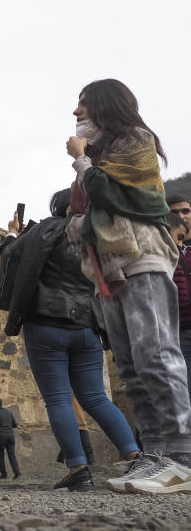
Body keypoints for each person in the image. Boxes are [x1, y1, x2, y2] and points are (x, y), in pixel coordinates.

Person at [65, 79, 191, 493]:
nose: (76, 113)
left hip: (141, 257)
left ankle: (181, 457)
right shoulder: (99, 153)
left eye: (83, 105)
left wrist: (83, 162)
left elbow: (116, 196)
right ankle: (154, 454)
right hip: (110, 269)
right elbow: (79, 213)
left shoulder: (135, 140)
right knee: (132, 367)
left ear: (104, 106)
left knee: (156, 355)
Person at [0, 187, 142, 492]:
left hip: (46, 323)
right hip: (87, 325)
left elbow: (12, 257)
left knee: (58, 398)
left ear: (59, 208)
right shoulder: (96, 234)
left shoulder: (50, 228)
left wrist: (13, 234)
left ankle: (78, 469)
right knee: (96, 397)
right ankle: (136, 457)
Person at [165, 201, 191, 393]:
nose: (181, 216)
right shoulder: (160, 252)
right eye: (174, 213)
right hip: (178, 330)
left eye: (186, 211)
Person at [0, 398, 20, 479]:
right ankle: (17, 472)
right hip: (11, 435)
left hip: (1, 435)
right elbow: (15, 424)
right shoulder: (8, 412)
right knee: (12, 455)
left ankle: (4, 474)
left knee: (1, 455)